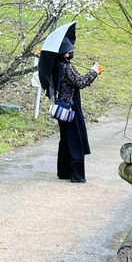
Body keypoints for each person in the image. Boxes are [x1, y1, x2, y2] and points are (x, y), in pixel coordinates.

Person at [52, 37, 100, 183]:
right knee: (75, 139)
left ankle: (64, 171)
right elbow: (80, 82)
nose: (72, 51)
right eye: (70, 50)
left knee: (65, 139)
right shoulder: (66, 67)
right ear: (65, 53)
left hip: (62, 107)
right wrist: (93, 72)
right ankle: (76, 175)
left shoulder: (57, 65)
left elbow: (74, 80)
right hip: (71, 107)